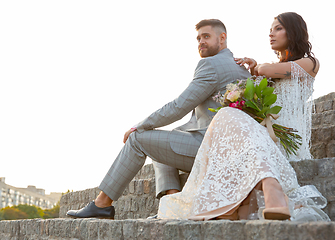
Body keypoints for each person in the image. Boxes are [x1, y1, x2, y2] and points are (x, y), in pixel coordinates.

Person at [66, 19, 251, 219]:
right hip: (227, 149)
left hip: (210, 150)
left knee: (139, 139)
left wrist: (139, 125)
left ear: (222, 38)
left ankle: (101, 204)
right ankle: (173, 202)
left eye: (206, 36)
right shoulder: (241, 67)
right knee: (160, 141)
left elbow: (179, 106)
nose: (200, 42)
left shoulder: (211, 65)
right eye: (198, 38)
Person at [157, 12, 330, 221]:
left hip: (285, 139)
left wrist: (256, 67)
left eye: (278, 28)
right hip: (265, 133)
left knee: (229, 117)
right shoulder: (270, 69)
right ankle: (265, 191)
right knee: (227, 114)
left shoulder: (310, 63)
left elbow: (267, 69)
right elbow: (265, 74)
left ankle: (258, 193)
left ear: (293, 31)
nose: (271, 34)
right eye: (270, 30)